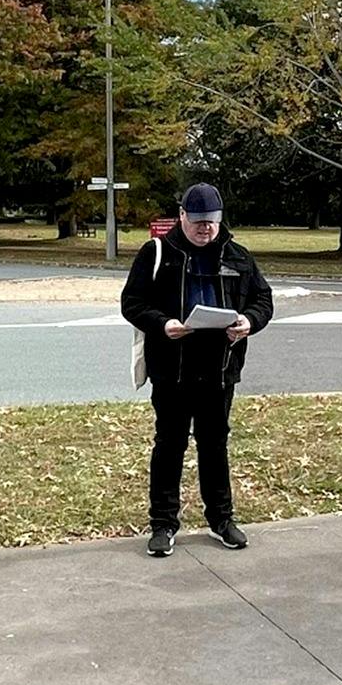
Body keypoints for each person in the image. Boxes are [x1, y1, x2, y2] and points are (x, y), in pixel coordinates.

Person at [120, 183, 273, 556]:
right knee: (169, 445)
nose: (206, 229)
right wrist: (163, 323)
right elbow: (132, 302)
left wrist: (248, 322)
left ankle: (221, 520)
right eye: (199, 222)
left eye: (213, 222)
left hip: (220, 368)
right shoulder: (157, 253)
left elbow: (262, 299)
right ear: (183, 216)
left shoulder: (238, 256)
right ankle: (163, 524)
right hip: (172, 368)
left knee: (215, 444)